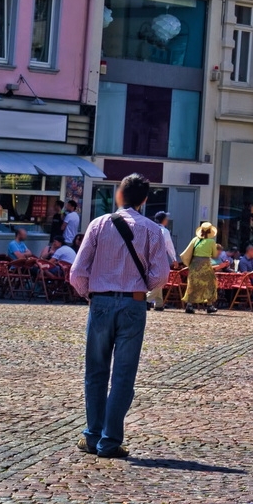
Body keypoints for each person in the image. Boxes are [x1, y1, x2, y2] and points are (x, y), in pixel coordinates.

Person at [69, 173, 173, 459]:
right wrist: (140, 287)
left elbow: (77, 272)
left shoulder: (98, 224)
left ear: (119, 194)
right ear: (144, 199)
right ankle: (110, 440)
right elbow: (161, 275)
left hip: (101, 301)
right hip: (133, 304)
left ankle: (93, 435)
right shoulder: (152, 230)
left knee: (96, 371)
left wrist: (90, 294)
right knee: (124, 376)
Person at [180, 223, 220, 314]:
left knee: (193, 284)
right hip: (205, 265)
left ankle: (189, 305)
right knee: (210, 284)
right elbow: (214, 255)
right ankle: (209, 305)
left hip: (194, 265)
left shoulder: (195, 239)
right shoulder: (211, 242)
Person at [147, 212, 173, 311]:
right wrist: (174, 259)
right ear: (164, 220)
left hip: (149, 256)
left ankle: (159, 303)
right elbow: (169, 246)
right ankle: (147, 299)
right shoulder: (164, 231)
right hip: (160, 257)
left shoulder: (150, 228)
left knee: (157, 278)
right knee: (160, 279)